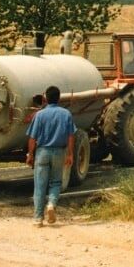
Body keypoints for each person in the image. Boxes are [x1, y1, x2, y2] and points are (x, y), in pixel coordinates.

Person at [25, 86, 76, 227]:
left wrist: (30, 154)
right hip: (59, 152)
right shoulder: (66, 114)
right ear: (59, 98)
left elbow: (32, 138)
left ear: (46, 99)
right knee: (55, 183)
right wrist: (70, 154)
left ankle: (38, 219)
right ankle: (52, 204)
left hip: (42, 152)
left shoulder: (40, 115)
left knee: (39, 186)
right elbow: (71, 136)